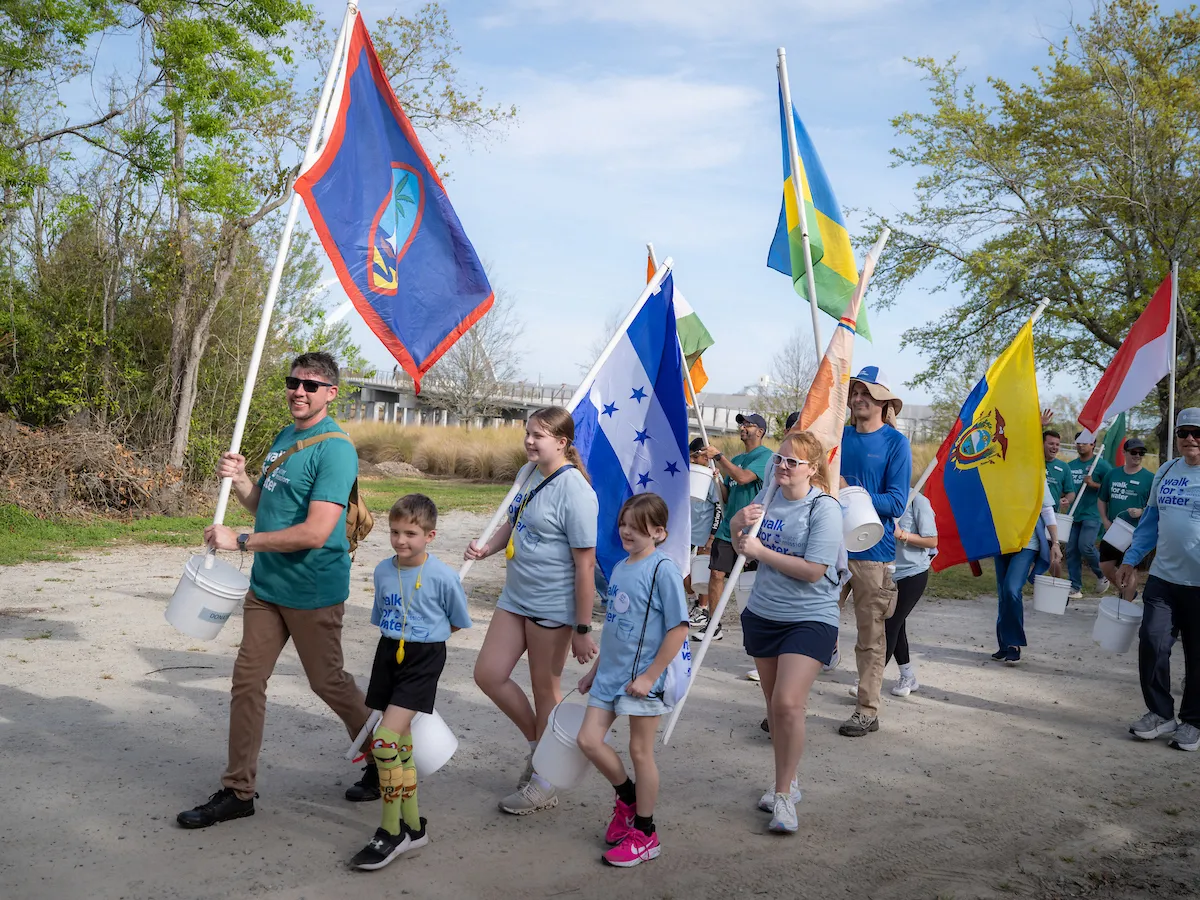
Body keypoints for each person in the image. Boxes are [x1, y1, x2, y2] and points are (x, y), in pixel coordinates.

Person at [178, 351, 372, 828]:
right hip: (266, 588)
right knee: (247, 682)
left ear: (331, 392)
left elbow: (315, 532)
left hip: (312, 591)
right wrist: (242, 479)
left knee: (329, 683)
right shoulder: (286, 436)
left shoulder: (336, 450)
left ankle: (385, 760)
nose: (298, 391)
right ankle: (237, 790)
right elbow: (264, 504)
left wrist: (239, 541)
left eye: (310, 385)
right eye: (293, 382)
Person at [464, 407, 599, 814]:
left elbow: (586, 565)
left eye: (539, 435)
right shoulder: (528, 474)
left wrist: (581, 627)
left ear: (562, 442)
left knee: (546, 691)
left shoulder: (575, 491)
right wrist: (488, 547)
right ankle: (540, 747)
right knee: (487, 674)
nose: (529, 441)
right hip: (515, 597)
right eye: (528, 433)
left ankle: (545, 781)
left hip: (552, 606)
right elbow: (515, 518)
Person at [350, 494, 472, 870]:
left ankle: (391, 831)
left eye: (411, 533)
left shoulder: (444, 576)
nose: (401, 540)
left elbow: (456, 620)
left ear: (430, 536)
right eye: (395, 532)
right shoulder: (384, 571)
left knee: (383, 742)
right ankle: (415, 827)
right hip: (389, 653)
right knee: (399, 743)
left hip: (424, 657)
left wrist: (427, 636)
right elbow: (382, 615)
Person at [731, 431, 843, 832]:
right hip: (763, 613)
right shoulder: (768, 497)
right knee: (773, 707)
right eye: (779, 459)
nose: (782, 466)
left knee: (788, 703)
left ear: (812, 469)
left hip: (810, 616)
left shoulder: (824, 508)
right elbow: (743, 547)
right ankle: (788, 780)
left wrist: (761, 553)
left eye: (792, 462)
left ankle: (783, 799)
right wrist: (734, 526)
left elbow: (815, 572)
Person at [576, 494, 689, 867]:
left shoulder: (664, 570)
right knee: (589, 740)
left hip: (643, 680)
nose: (626, 531)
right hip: (609, 675)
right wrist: (595, 671)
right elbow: (613, 627)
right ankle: (626, 799)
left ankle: (645, 832)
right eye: (623, 523)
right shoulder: (621, 567)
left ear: (659, 532)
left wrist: (650, 676)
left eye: (637, 527)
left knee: (641, 752)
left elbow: (678, 630)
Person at [1118, 408, 1200, 751]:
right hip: (1164, 579)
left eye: (1198, 432)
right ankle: (1160, 712)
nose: (1190, 439)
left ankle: (1193, 722)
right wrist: (1131, 559)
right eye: (1184, 432)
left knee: (1197, 656)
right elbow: (1150, 521)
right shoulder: (1166, 471)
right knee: (1152, 642)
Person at [837, 368, 912, 738]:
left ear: (883, 402)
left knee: (870, 636)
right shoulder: (839, 436)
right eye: (854, 391)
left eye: (866, 392)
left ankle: (867, 710)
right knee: (810, 623)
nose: (858, 397)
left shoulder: (897, 443)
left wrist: (851, 494)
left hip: (872, 553)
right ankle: (789, 704)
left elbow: (897, 502)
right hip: (828, 547)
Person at [695, 413, 773, 643]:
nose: (743, 428)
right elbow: (728, 495)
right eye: (741, 424)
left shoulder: (766, 457)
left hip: (752, 529)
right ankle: (714, 624)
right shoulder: (737, 458)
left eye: (748, 424)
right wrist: (717, 480)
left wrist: (719, 456)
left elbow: (742, 478)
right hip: (728, 527)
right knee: (716, 574)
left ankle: (758, 625)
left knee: (753, 581)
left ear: (760, 431)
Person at [992, 481, 1062, 664]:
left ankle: (1014, 643)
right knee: (1003, 593)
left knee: (1011, 589)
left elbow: (1047, 510)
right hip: (1002, 542)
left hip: (1027, 544)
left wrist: (1055, 543)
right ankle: (1004, 643)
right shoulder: (998, 470)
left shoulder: (1035, 472)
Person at [886, 491, 939, 696]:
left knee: (890, 623)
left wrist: (902, 535)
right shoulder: (884, 497)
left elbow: (932, 541)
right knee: (897, 626)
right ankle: (908, 676)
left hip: (912, 573)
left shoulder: (918, 500)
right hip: (887, 572)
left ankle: (868, 679)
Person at [1097, 438, 1154, 593]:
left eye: (1141, 453)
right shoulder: (1112, 474)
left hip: (1136, 532)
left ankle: (1126, 604)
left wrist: (1142, 511)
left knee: (1130, 570)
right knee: (1104, 566)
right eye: (1134, 452)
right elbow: (1102, 499)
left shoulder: (1150, 478)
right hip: (1114, 530)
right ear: (1124, 453)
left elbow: (1156, 507)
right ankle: (1127, 592)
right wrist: (1105, 521)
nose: (1137, 455)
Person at [1065, 431, 1112, 600]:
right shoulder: (1070, 466)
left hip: (1093, 513)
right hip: (1074, 513)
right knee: (1071, 550)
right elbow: (1067, 487)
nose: (1080, 445)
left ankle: (1103, 574)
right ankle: (1075, 587)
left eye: (1085, 442)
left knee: (1085, 545)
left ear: (1093, 445)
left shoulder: (1101, 465)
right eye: (1078, 442)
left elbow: (1111, 487)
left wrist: (1093, 484)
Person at [686, 438, 721, 621]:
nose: (692, 460)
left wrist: (712, 536)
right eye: (690, 457)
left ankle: (703, 608)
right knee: (683, 569)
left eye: (695, 457)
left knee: (702, 572)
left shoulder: (712, 478)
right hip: (689, 531)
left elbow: (719, 508)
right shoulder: (691, 474)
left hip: (704, 533)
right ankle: (692, 602)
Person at [1043, 429, 1076, 510]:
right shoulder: (1032, 462)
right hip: (1029, 512)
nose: (1054, 447)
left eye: (1057, 444)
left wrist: (1067, 500)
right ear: (1042, 444)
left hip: (1051, 514)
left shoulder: (1064, 467)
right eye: (1051, 444)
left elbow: (1071, 492)